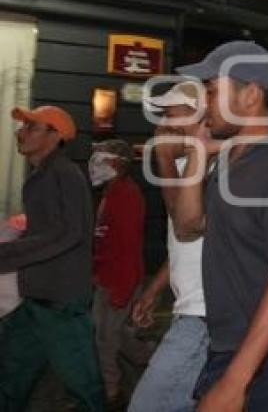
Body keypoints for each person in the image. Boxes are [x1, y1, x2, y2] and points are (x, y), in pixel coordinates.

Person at [166, 40, 268, 411]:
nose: (204, 104)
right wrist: (199, 155)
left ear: (250, 95)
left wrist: (237, 380)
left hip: (264, 356)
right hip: (228, 342)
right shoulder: (231, 159)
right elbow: (187, 226)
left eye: (212, 90)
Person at [0, 105, 105, 411]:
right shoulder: (42, 175)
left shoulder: (64, 173)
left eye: (31, 127)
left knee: (86, 391)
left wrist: (6, 255)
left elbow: (67, 233)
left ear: (54, 135)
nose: (21, 132)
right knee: (10, 379)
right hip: (36, 299)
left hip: (60, 305)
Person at [129, 81, 209, 412]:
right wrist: (154, 289)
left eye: (171, 114)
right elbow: (183, 246)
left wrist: (162, 157)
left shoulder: (210, 166)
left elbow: (184, 226)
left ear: (198, 118)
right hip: (190, 311)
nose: (162, 125)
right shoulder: (182, 167)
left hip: (204, 315)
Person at [90, 139, 147, 405]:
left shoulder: (126, 196)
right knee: (117, 336)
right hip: (107, 280)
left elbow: (128, 246)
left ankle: (111, 394)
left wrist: (122, 291)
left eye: (100, 158)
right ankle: (150, 361)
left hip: (118, 281)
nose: (94, 164)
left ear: (117, 164)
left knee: (105, 341)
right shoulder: (111, 193)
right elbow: (106, 239)